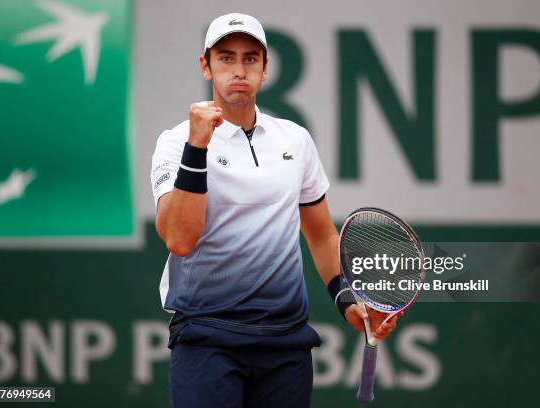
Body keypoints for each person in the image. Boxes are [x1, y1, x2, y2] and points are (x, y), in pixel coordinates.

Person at [150, 12, 399, 408]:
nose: (239, 69)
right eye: (226, 58)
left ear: (265, 69)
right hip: (206, 339)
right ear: (206, 66)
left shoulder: (295, 140)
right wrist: (196, 148)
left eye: (251, 58)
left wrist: (346, 300)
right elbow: (179, 240)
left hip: (285, 345)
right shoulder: (175, 142)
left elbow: (320, 236)